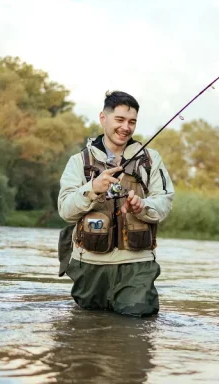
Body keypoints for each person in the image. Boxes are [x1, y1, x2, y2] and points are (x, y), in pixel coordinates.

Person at [57, 90, 175, 317]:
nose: (126, 127)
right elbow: (66, 211)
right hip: (89, 265)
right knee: (86, 328)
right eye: (119, 120)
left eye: (132, 122)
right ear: (103, 118)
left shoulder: (151, 160)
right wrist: (92, 188)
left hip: (137, 264)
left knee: (136, 323)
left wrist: (143, 207)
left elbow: (164, 201)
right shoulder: (78, 162)